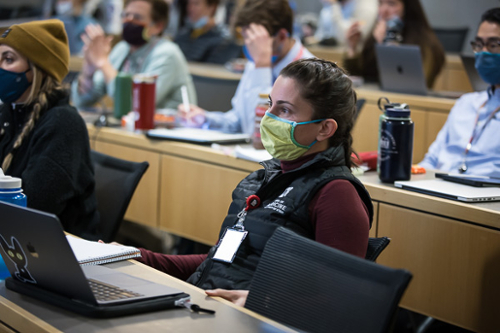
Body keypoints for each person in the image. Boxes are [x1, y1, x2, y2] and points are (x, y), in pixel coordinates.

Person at [137, 58, 373, 306]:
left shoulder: (337, 194)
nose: (267, 117)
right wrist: (137, 256)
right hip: (206, 307)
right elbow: (218, 264)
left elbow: (339, 302)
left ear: (325, 128)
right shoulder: (264, 179)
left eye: (284, 110)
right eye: (270, 104)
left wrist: (263, 303)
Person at [0, 19, 101, 240]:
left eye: (8, 59)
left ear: (38, 68)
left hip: (56, 255)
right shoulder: (8, 113)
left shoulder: (63, 124)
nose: (1, 67)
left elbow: (33, 208)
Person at [178, 0, 314, 135]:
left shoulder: (309, 74)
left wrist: (262, 66)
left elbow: (258, 132)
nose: (250, 48)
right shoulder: (255, 63)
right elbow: (238, 120)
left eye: (256, 42)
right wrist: (206, 119)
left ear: (282, 36)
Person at [71, 0, 197, 110]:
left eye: (137, 17)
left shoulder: (167, 53)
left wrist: (103, 63)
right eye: (126, 15)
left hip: (171, 132)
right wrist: (88, 71)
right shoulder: (122, 49)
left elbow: (137, 104)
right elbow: (82, 102)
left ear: (158, 26)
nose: (129, 21)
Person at [419, 8, 500, 177]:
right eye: (479, 44)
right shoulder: (466, 103)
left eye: (493, 45)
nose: (484, 52)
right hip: (438, 187)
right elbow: (431, 160)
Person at [343, 0, 445, 88]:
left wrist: (386, 47)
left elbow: (410, 85)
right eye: (380, 3)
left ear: (408, 9)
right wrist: (353, 48)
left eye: (391, 4)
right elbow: (360, 79)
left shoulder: (426, 43)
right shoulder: (378, 35)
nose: (383, 11)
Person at [174, 0, 241, 64]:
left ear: (212, 7)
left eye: (196, 4)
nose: (190, 8)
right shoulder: (183, 35)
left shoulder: (224, 41)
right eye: (189, 4)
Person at [313, 0, 377, 46]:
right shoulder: (329, 7)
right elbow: (319, 35)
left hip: (353, 57)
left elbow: (343, 38)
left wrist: (334, 5)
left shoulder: (366, 6)